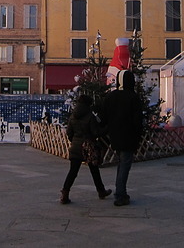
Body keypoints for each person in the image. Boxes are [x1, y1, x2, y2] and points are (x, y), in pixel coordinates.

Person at [100, 69, 143, 206]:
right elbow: (137, 120)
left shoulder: (111, 96)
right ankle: (120, 194)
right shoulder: (133, 97)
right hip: (129, 136)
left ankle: (120, 191)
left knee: (121, 162)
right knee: (125, 164)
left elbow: (104, 117)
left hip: (115, 136)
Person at [59, 94, 112, 204]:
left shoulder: (73, 116)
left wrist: (74, 141)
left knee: (73, 171)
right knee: (94, 170)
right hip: (88, 147)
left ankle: (65, 192)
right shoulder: (89, 116)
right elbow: (95, 132)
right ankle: (101, 190)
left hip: (75, 146)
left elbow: (69, 132)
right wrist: (107, 129)